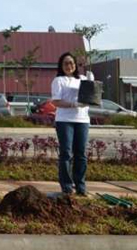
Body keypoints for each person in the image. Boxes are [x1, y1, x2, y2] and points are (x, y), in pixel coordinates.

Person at [50, 52, 92, 196]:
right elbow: (55, 101)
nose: (69, 66)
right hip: (64, 121)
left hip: (82, 120)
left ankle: (80, 186)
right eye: (66, 63)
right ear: (61, 66)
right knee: (66, 153)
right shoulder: (59, 81)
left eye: (71, 63)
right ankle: (67, 186)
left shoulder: (83, 79)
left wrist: (93, 84)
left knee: (81, 154)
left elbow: (92, 96)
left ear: (76, 65)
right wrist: (74, 104)